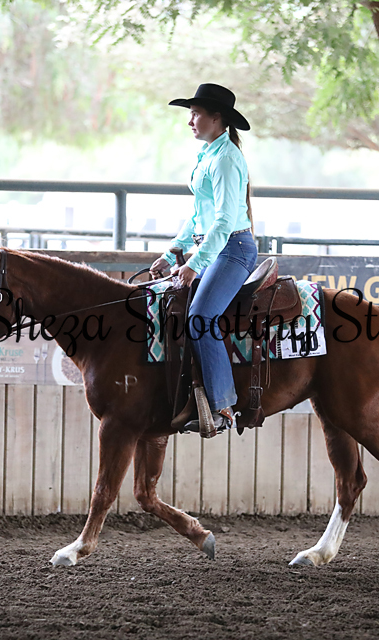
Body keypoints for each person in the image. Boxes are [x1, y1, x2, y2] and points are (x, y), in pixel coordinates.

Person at [150, 83, 258, 437]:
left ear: (217, 118)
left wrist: (194, 263)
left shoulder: (225, 159)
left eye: (195, 114)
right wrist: (171, 254)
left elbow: (224, 222)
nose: (190, 121)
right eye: (190, 114)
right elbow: (199, 216)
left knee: (201, 317)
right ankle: (188, 394)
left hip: (233, 249)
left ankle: (223, 406)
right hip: (216, 247)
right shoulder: (210, 155)